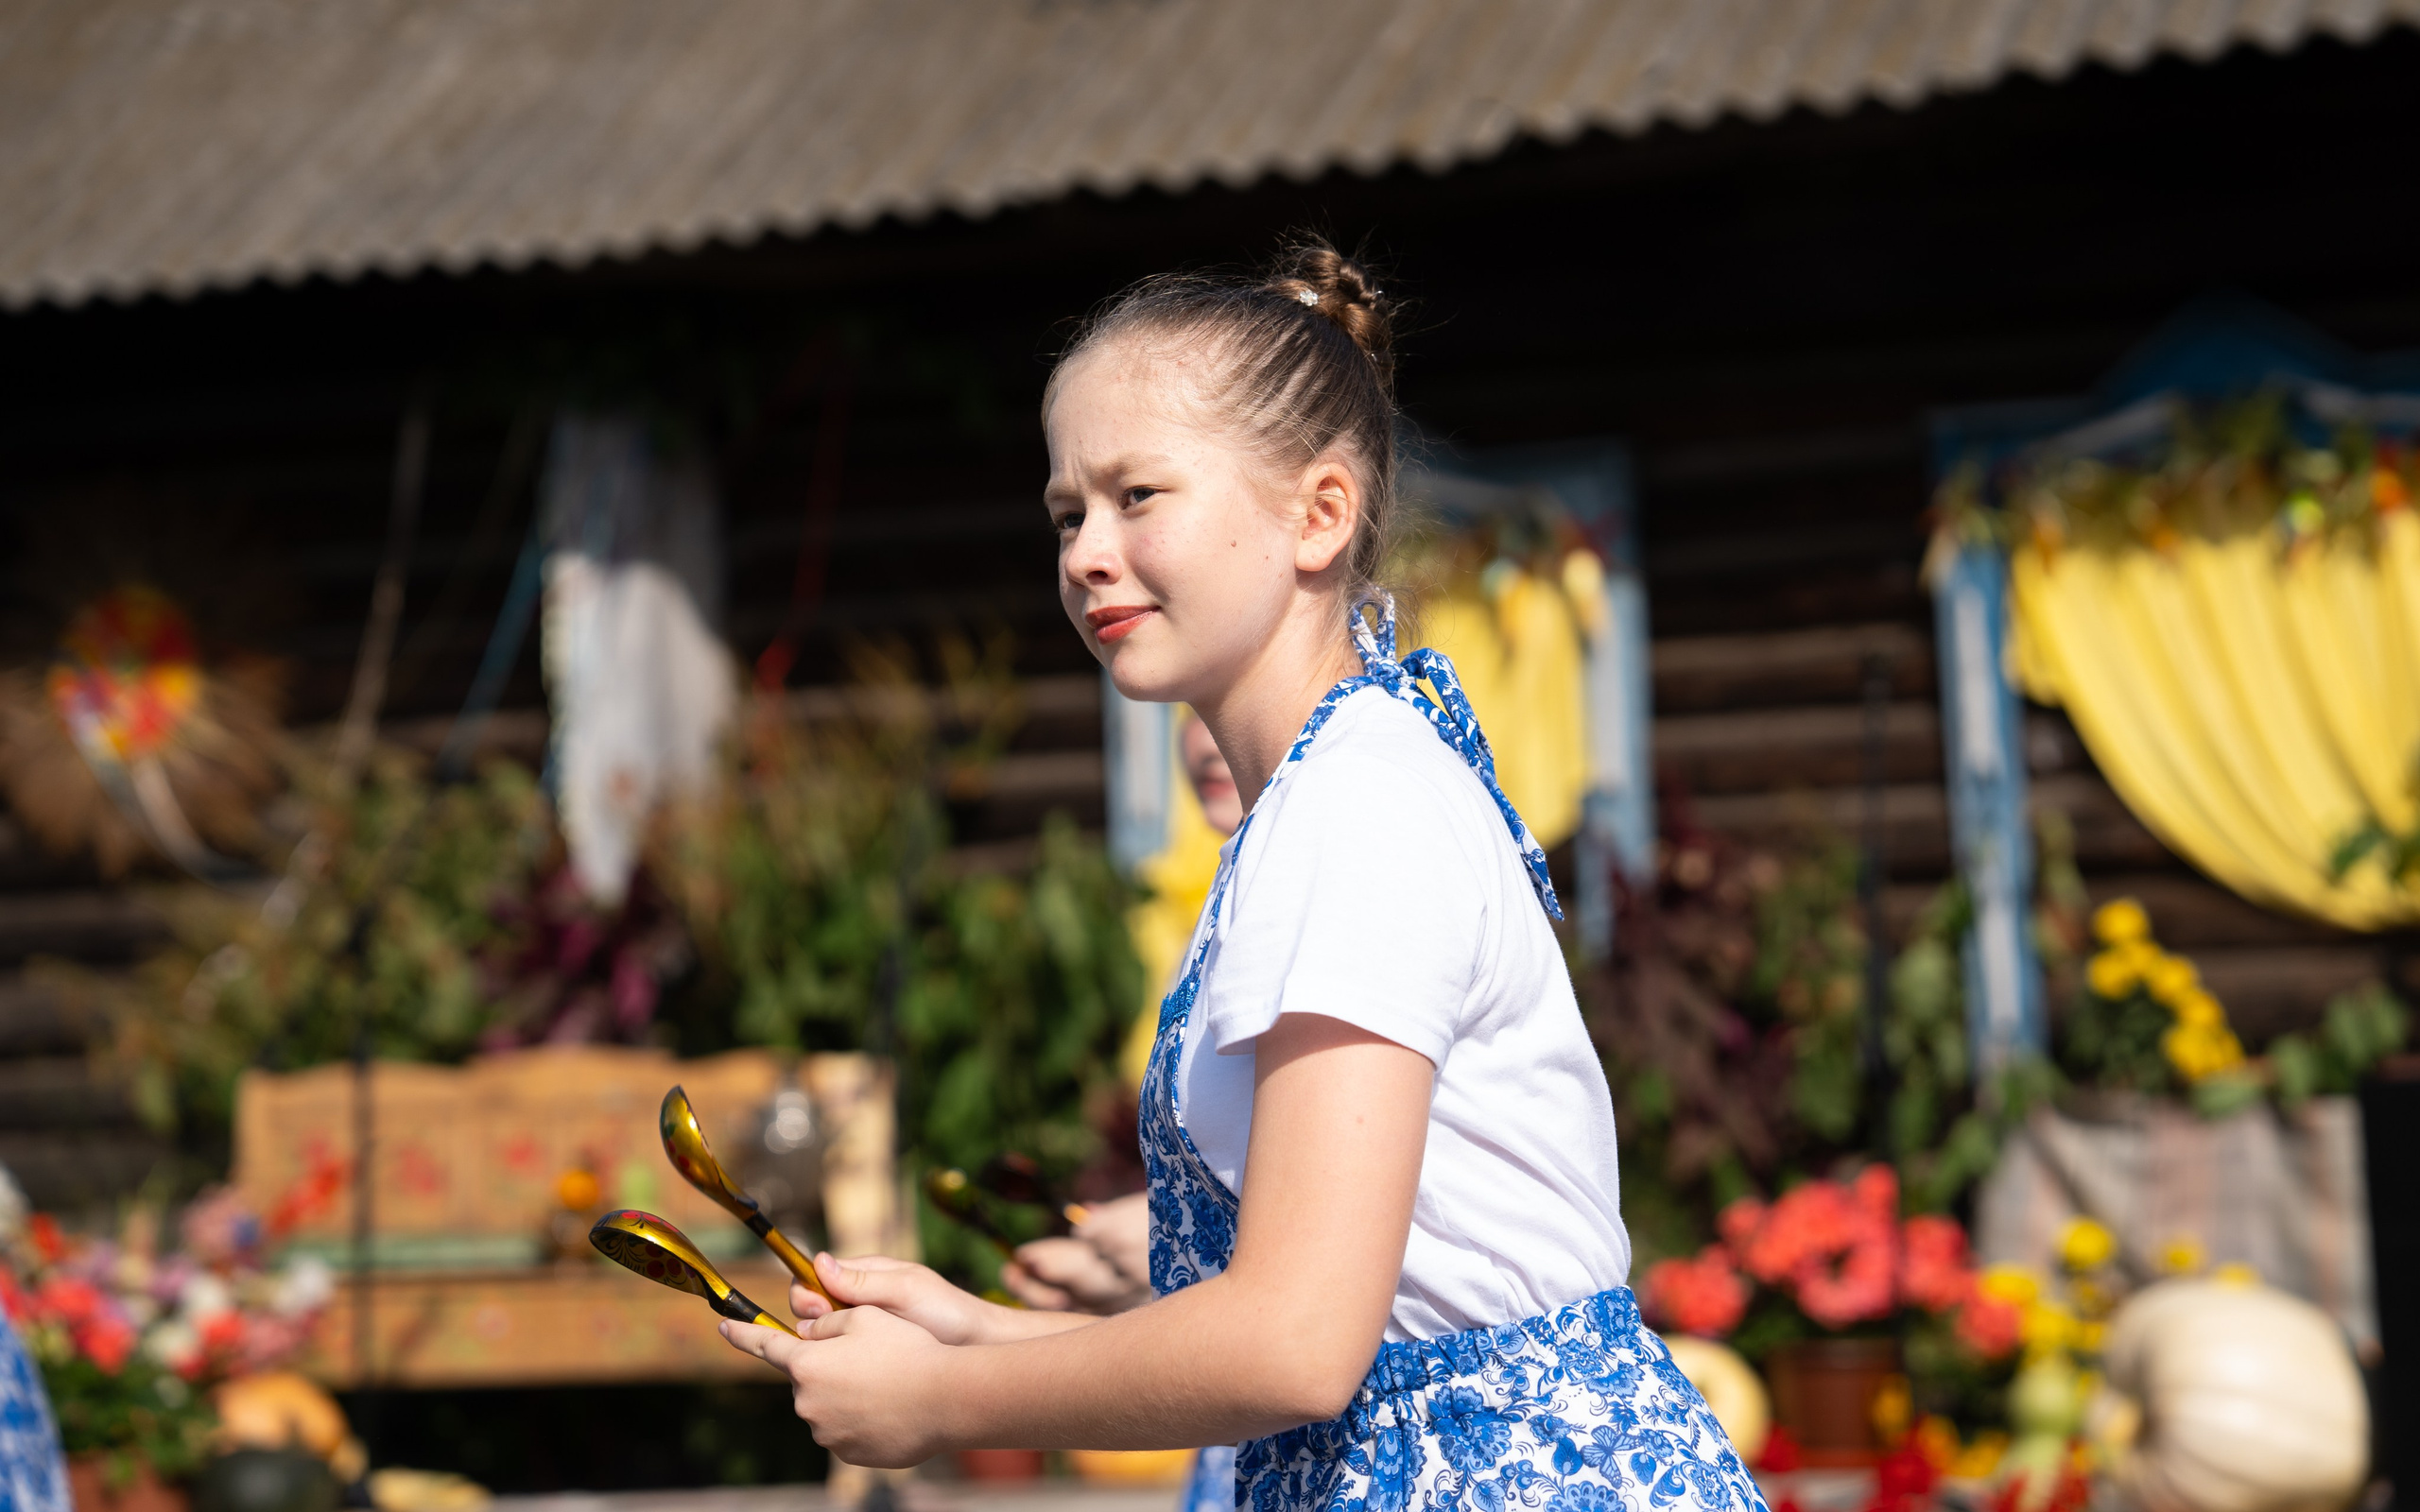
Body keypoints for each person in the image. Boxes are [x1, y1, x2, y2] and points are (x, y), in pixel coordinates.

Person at [722, 242, 1765, 1512]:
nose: (1086, 553)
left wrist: (942, 1403)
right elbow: (1377, 1343)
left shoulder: (1360, 809)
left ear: (1318, 515)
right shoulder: (1323, 796)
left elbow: (1294, 1344)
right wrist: (974, 1333)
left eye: (1137, 495)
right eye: (1066, 513)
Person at [1003, 711, 1242, 1512]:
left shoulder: (1344, 898)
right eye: (1191, 710)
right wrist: (1148, 1286)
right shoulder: (1218, 913)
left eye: (1227, 704)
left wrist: (1167, 1249)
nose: (1206, 739)